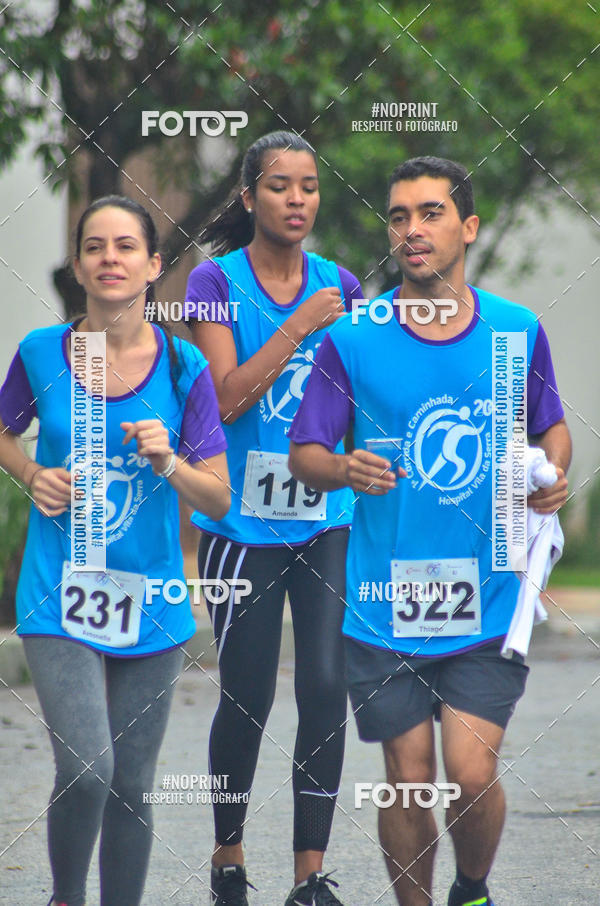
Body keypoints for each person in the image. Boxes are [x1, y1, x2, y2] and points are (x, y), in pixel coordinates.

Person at [289, 156, 571, 906]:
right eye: (398, 216)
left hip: (488, 596)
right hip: (385, 601)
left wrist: (552, 481)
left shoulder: (516, 332)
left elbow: (552, 429)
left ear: (467, 227)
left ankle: (470, 888)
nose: (411, 230)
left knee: (471, 775)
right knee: (408, 782)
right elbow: (306, 454)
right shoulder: (353, 338)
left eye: (430, 213)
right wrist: (345, 470)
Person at [0, 195, 230, 906]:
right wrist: (32, 472)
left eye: (126, 246)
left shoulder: (185, 367)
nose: (110, 258)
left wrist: (170, 462)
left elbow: (218, 498)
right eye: (95, 247)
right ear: (78, 265)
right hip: (58, 591)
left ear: (154, 266)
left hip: (151, 599)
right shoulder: (43, 353)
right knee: (89, 769)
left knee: (132, 782)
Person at [185, 130, 364, 906]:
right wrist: (299, 327)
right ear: (250, 196)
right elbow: (226, 397)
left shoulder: (342, 285)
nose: (298, 200)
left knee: (325, 688)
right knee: (249, 692)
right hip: (242, 528)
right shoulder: (211, 282)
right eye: (281, 186)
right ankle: (228, 855)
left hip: (327, 517)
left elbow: (366, 399)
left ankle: (308, 875)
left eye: (309, 187)